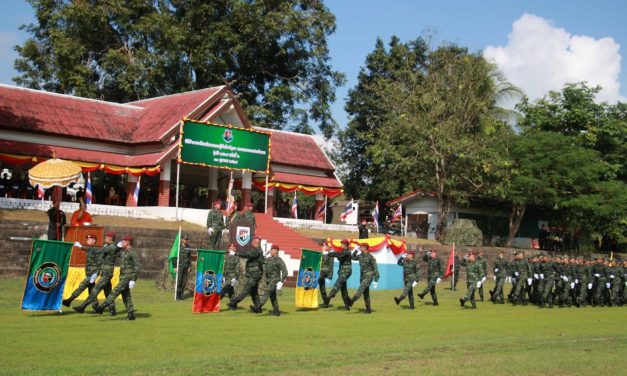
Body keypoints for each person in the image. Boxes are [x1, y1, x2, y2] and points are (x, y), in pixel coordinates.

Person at [72, 232, 120, 315]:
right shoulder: (109, 246)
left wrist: (81, 247)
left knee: (95, 290)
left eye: (106, 237)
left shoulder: (111, 247)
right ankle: (112, 310)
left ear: (110, 238)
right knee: (108, 292)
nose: (105, 238)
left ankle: (82, 307)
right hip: (105, 272)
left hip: (107, 273)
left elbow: (97, 250)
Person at [94, 235, 140, 320]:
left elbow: (137, 267)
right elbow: (113, 253)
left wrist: (133, 279)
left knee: (115, 291)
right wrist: (115, 247)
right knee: (126, 296)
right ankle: (131, 315)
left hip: (128, 277)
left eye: (124, 242)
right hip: (122, 277)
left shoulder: (132, 253)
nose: (122, 243)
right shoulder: (122, 252)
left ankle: (101, 307)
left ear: (128, 243)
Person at [62, 234, 102, 308]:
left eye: (89, 240)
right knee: (92, 290)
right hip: (89, 273)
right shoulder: (90, 249)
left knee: (82, 286)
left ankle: (69, 300)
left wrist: (80, 246)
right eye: (87, 240)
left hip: (92, 274)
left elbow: (98, 262)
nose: (87, 241)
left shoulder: (95, 249)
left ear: (94, 241)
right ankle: (96, 305)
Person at [227, 236, 264, 311]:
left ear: (257, 243)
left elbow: (248, 254)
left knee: (246, 290)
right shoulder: (256, 250)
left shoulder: (257, 250)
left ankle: (233, 302)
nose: (252, 242)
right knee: (254, 292)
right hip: (253, 274)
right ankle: (258, 308)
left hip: (255, 274)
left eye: (254, 241)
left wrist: (236, 253)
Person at [253, 244, 288, 316]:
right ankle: (276, 311)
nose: (270, 251)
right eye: (270, 250)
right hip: (268, 280)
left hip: (274, 280)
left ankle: (258, 306)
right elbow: (260, 261)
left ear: (276, 251)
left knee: (267, 292)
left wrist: (281, 281)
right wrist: (264, 255)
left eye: (272, 250)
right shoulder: (268, 259)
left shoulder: (279, 260)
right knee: (273, 297)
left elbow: (285, 271)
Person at [322, 239, 353, 310]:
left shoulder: (347, 252)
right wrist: (332, 254)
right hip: (342, 271)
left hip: (346, 270)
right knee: (343, 289)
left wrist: (329, 254)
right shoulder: (343, 251)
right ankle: (347, 305)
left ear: (345, 245)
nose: (341, 245)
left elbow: (339, 255)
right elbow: (339, 257)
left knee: (337, 283)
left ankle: (328, 298)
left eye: (342, 244)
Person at [348, 243, 379, 313]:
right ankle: (368, 309)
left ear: (365, 248)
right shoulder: (360, 256)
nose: (360, 248)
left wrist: (376, 280)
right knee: (365, 292)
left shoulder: (371, 257)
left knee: (361, 288)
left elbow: (375, 268)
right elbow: (352, 257)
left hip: (369, 275)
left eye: (361, 247)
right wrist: (355, 250)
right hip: (362, 276)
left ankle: (351, 301)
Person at [172, 234, 192, 300]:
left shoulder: (188, 247)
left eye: (187, 239)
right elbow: (174, 257)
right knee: (179, 281)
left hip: (186, 266)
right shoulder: (178, 247)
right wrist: (175, 266)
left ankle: (181, 295)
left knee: (184, 281)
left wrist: (190, 266)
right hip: (180, 266)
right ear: (182, 240)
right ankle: (177, 295)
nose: (187, 240)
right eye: (185, 239)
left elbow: (189, 257)